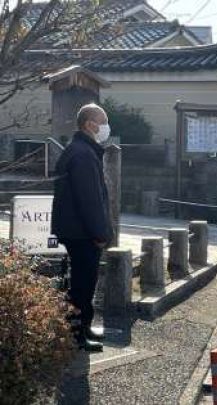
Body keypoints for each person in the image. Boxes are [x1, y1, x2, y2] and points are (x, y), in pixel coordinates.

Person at [52, 103, 114, 352]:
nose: (106, 128)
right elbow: (89, 200)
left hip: (76, 230)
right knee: (82, 284)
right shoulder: (83, 154)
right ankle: (76, 335)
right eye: (104, 122)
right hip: (82, 232)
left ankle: (83, 328)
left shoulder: (81, 150)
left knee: (84, 281)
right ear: (90, 124)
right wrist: (99, 234)